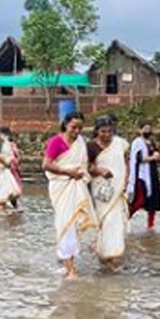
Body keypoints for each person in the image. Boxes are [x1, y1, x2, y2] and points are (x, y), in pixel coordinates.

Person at [42, 112, 98, 279]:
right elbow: (46, 164)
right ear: (66, 124)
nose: (77, 131)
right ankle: (71, 269)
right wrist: (67, 171)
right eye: (74, 127)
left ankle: (70, 265)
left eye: (80, 128)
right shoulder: (56, 142)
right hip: (62, 187)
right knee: (65, 225)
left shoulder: (81, 143)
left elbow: (86, 166)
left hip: (78, 187)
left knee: (75, 225)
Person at [88, 116, 131, 267]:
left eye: (109, 131)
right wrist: (99, 170)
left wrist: (125, 181)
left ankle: (112, 254)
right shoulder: (91, 147)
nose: (106, 135)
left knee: (116, 221)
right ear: (97, 131)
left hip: (118, 189)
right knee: (105, 221)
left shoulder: (120, 144)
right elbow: (87, 167)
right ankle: (104, 253)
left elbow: (126, 162)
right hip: (101, 191)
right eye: (103, 131)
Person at [128, 123, 160, 230]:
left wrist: (157, 157)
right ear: (140, 129)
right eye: (145, 129)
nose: (148, 131)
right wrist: (153, 157)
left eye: (149, 129)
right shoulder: (137, 142)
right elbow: (139, 159)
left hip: (152, 173)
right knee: (140, 199)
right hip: (141, 174)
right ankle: (126, 216)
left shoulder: (152, 142)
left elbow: (158, 153)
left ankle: (150, 225)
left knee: (153, 200)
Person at [0, 130, 22, 211]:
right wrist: (5, 163)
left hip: (5, 167)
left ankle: (3, 209)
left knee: (10, 189)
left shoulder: (8, 142)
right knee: (3, 189)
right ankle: (1, 209)